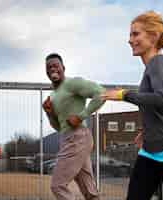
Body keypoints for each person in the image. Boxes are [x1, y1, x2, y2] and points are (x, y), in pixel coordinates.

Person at [100, 11, 163, 200]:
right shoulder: (154, 67)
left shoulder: (158, 62)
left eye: (135, 34)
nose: (130, 40)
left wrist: (123, 95)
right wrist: (149, 130)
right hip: (151, 152)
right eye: (130, 35)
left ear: (153, 36)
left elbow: (162, 99)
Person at [42, 53, 105, 200]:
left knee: (57, 185)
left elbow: (101, 93)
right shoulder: (53, 95)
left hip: (78, 137)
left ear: (63, 67)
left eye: (55, 65)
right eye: (49, 67)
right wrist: (49, 113)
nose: (52, 68)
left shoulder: (72, 84)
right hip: (68, 138)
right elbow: (59, 127)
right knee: (90, 192)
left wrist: (81, 116)